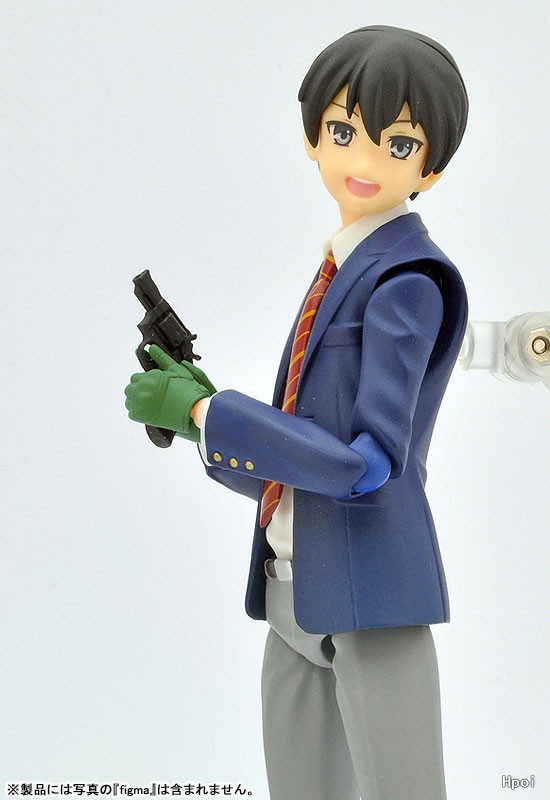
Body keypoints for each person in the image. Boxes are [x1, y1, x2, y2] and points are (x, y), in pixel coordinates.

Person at [125, 25, 469, 800]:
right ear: (312, 137)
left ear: (433, 167)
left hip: (373, 598)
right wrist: (199, 423)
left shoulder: (407, 281)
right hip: (290, 589)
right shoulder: (340, 269)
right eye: (344, 132)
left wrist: (212, 414)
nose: (364, 162)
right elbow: (304, 455)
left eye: (398, 143)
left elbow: (365, 466)